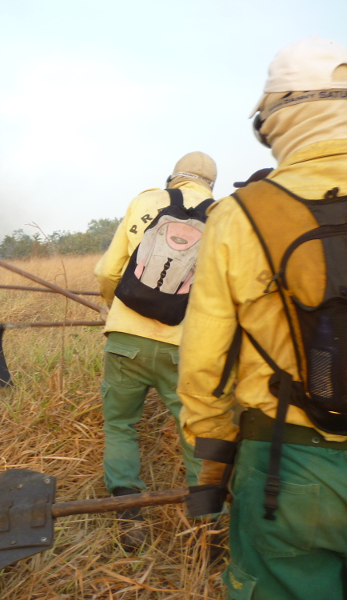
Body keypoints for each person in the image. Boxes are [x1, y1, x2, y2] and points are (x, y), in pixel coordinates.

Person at [178, 36, 347, 599]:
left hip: (290, 467)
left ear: (273, 125)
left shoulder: (242, 215)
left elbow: (205, 367)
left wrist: (211, 467)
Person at [94, 151, 216, 550]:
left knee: (120, 425)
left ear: (174, 178)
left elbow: (107, 271)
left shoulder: (146, 201)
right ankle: (211, 527)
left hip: (126, 341)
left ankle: (130, 515)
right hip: (185, 348)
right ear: (209, 183)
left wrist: (115, 307)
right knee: (197, 432)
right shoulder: (223, 214)